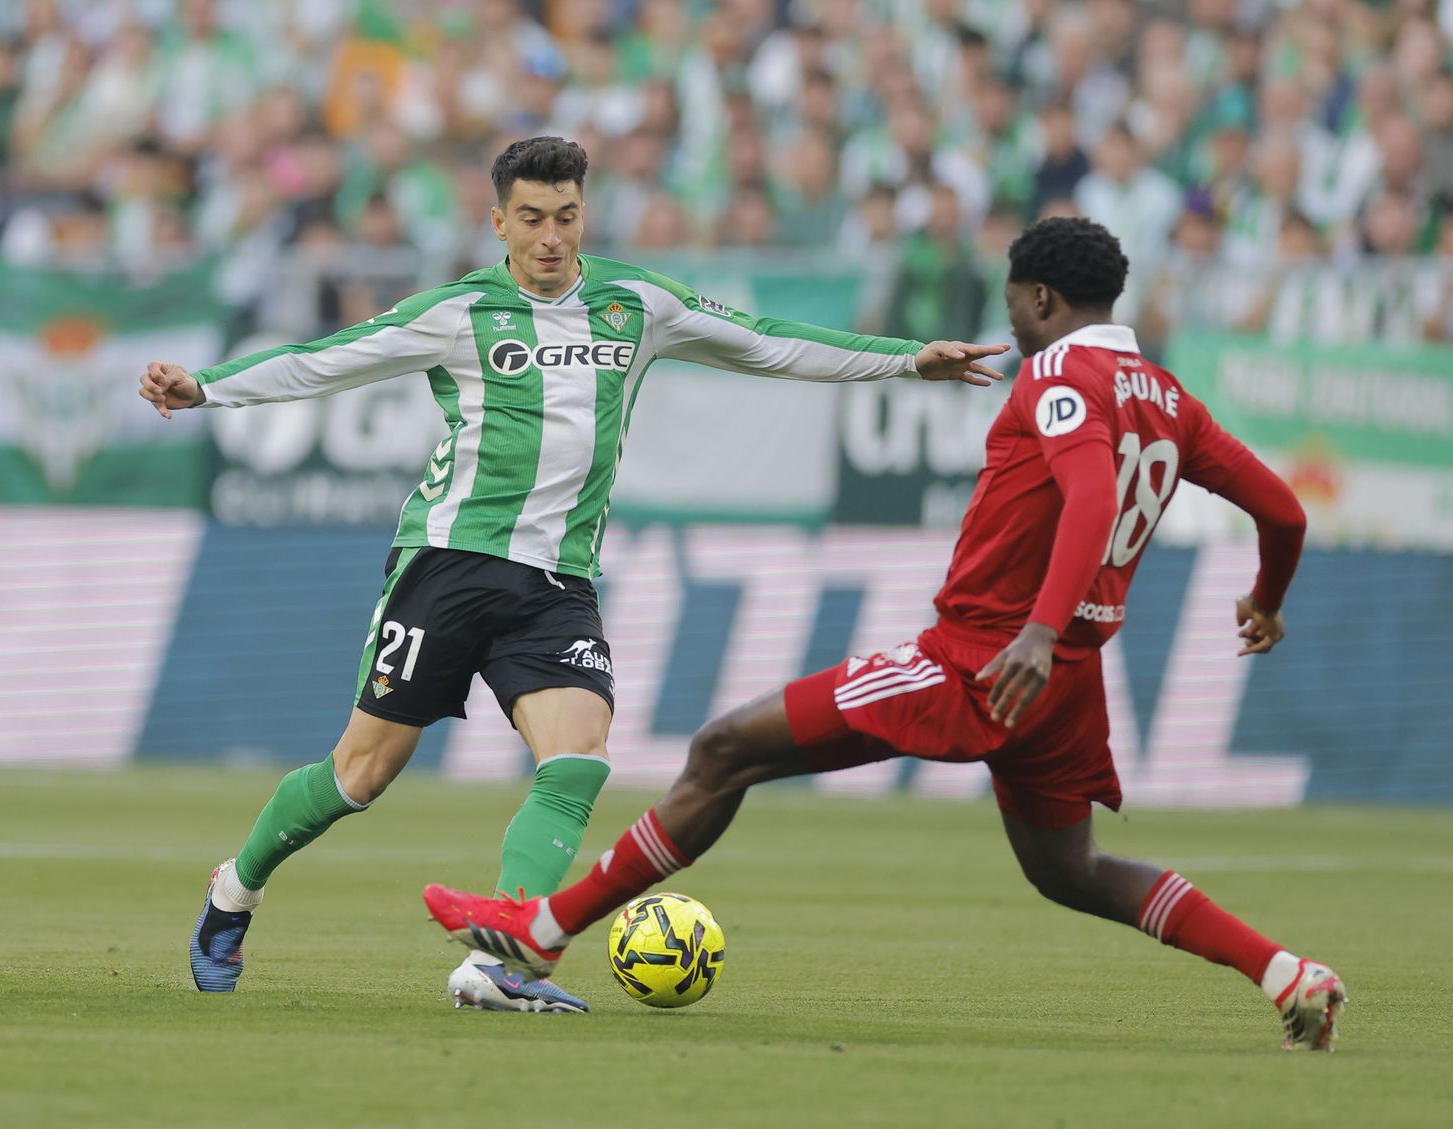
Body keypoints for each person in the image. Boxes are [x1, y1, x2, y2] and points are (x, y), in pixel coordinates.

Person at [424, 216, 1349, 1051]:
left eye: (1017, 310)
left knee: (722, 749)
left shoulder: (1064, 370)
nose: (1016, 329)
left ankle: (540, 934)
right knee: (1072, 870)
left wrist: (1033, 628)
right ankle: (1285, 973)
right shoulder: (1167, 396)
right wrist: (1267, 597)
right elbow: (1283, 510)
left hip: (981, 658)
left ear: (1040, 299)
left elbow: (1093, 492)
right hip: (1069, 682)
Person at [139, 136, 1007, 1012]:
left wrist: (906, 358)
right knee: (359, 776)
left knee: (579, 759)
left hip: (557, 583)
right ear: (498, 222)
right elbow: (326, 358)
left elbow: (768, 341)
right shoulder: (457, 310)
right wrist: (205, 387)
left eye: (565, 217)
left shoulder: (637, 303)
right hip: (449, 562)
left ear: (583, 215)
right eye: (531, 219)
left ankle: (499, 962)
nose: (550, 237)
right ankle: (233, 891)